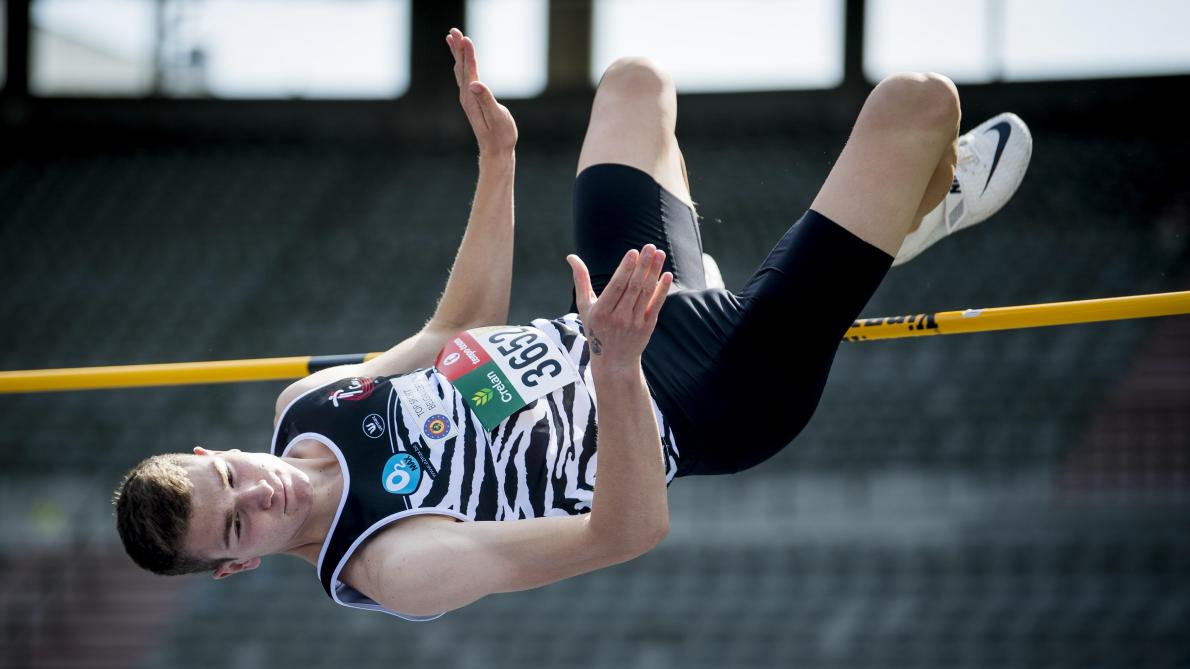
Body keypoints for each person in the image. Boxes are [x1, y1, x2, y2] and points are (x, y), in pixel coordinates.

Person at [114, 28, 1032, 621]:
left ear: (212, 446)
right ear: (236, 568)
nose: (258, 494)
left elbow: (453, 334)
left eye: (229, 476)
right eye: (236, 527)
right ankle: (917, 211)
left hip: (616, 311)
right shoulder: (391, 562)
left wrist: (499, 160)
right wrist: (621, 369)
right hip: (705, 395)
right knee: (920, 102)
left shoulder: (306, 405)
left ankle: (869, 244)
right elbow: (623, 532)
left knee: (635, 82)